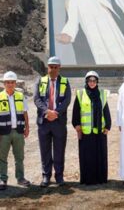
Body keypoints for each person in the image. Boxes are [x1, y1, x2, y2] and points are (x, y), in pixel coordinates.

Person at [34, 56, 71, 187]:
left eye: (56, 67)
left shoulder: (65, 82)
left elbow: (67, 100)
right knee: (45, 150)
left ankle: (59, 176)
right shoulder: (40, 81)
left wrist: (55, 113)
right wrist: (47, 112)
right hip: (44, 122)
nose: (53, 69)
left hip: (58, 122)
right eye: (51, 67)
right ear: (47, 68)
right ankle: (46, 176)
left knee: (59, 150)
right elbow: (37, 99)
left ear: (59, 68)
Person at [72, 71, 111, 185]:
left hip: (99, 131)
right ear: (86, 81)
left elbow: (106, 111)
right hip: (85, 132)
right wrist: (77, 126)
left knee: (100, 155)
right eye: (90, 81)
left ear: (97, 82)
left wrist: (108, 126)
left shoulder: (102, 94)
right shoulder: (80, 94)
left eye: (94, 81)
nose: (92, 83)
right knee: (87, 156)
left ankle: (100, 179)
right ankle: (88, 180)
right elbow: (76, 112)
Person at [0, 71, 30, 190]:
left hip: (18, 131)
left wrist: (27, 127)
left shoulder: (20, 96)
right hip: (3, 133)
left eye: (12, 82)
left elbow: (25, 112)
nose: (10, 84)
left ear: (15, 83)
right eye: (8, 82)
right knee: (2, 157)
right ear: (4, 84)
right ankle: (2, 179)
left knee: (19, 157)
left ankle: (20, 178)